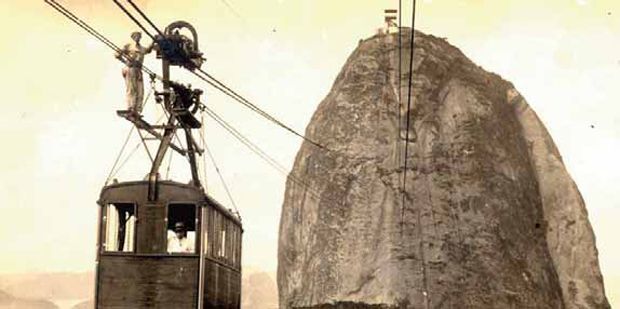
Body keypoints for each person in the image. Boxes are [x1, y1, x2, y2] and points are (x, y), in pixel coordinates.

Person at [115, 31, 154, 114]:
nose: (137, 38)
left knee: (140, 90)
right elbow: (117, 54)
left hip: (138, 70)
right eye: (136, 36)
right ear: (133, 37)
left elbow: (148, 50)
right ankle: (131, 107)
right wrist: (125, 61)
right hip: (130, 68)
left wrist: (154, 41)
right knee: (132, 89)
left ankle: (138, 109)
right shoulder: (129, 46)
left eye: (139, 36)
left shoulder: (141, 48)